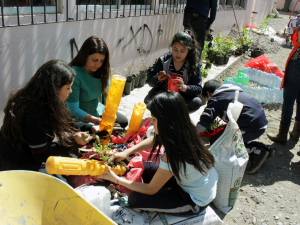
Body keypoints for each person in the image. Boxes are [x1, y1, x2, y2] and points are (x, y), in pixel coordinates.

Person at [97, 92, 218, 215]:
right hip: (193, 182)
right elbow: (156, 138)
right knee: (146, 169)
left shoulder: (174, 153)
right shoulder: (184, 129)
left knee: (135, 200)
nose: (151, 123)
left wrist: (115, 179)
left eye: (154, 119)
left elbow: (150, 190)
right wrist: (128, 152)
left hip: (194, 200)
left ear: (166, 122)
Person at [0, 59, 93, 171]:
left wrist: (89, 127)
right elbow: (41, 154)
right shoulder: (36, 113)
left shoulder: (36, 99)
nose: (71, 91)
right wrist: (73, 140)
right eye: (68, 88)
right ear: (55, 89)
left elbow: (64, 122)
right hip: (17, 165)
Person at [197, 80, 274, 174]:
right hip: (259, 123)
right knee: (227, 136)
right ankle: (264, 149)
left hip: (250, 126)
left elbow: (207, 116)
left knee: (218, 142)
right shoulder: (232, 91)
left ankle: (257, 152)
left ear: (209, 93)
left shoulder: (217, 97)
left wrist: (195, 132)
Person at [66, 36, 128, 128]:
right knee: (97, 133)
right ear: (84, 55)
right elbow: (73, 109)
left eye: (101, 61)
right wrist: (97, 121)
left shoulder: (102, 71)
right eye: (94, 60)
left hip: (97, 109)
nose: (98, 65)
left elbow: (108, 97)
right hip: (79, 115)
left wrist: (109, 113)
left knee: (123, 122)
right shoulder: (74, 74)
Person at [144, 31, 202, 113]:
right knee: (149, 100)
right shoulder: (163, 60)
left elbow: (198, 88)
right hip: (164, 93)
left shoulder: (193, 65)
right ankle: (168, 111)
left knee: (196, 102)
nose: (178, 54)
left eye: (182, 51)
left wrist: (185, 87)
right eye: (175, 49)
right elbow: (150, 82)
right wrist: (158, 79)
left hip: (181, 97)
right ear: (171, 47)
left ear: (188, 50)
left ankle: (175, 114)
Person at [268, 15, 300, 145]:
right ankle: (296, 132)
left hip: (298, 61)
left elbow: (291, 32)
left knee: (289, 100)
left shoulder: (298, 18)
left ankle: (282, 134)